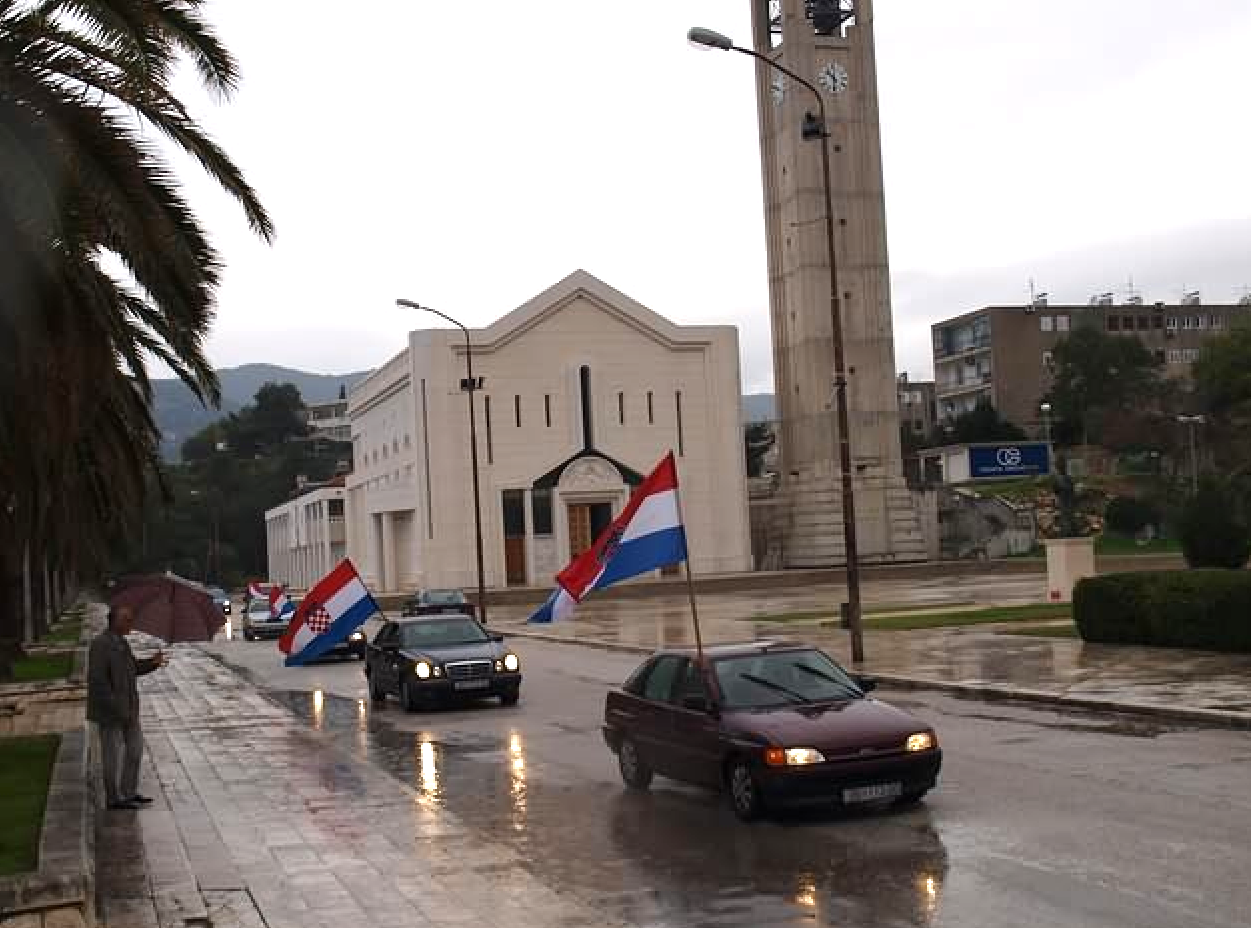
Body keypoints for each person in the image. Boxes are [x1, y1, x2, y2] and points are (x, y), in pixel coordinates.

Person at [87, 605, 168, 810]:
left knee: (135, 750)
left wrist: (153, 663)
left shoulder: (123, 644)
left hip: (130, 709)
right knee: (111, 756)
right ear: (115, 621)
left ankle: (129, 792)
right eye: (127, 620)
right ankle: (114, 798)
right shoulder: (100, 645)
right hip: (111, 712)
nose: (131, 624)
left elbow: (133, 668)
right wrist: (115, 707)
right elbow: (98, 681)